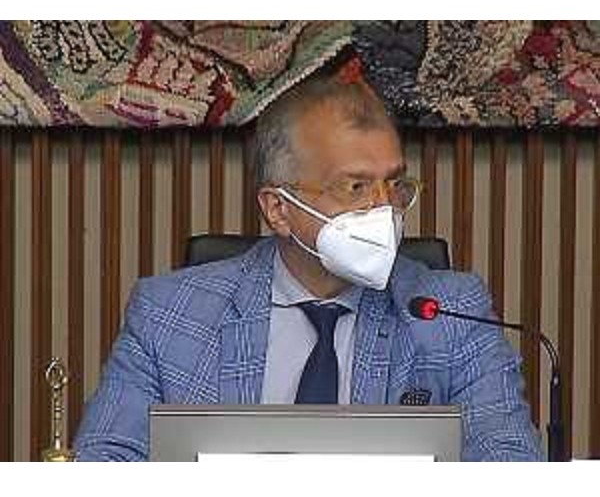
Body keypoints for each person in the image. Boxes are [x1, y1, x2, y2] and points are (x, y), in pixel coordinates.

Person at [74, 72, 543, 461]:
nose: (384, 209)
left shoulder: (452, 313)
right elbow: (103, 467)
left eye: (395, 184)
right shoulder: (167, 315)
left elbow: (509, 463)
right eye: (356, 187)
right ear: (278, 209)